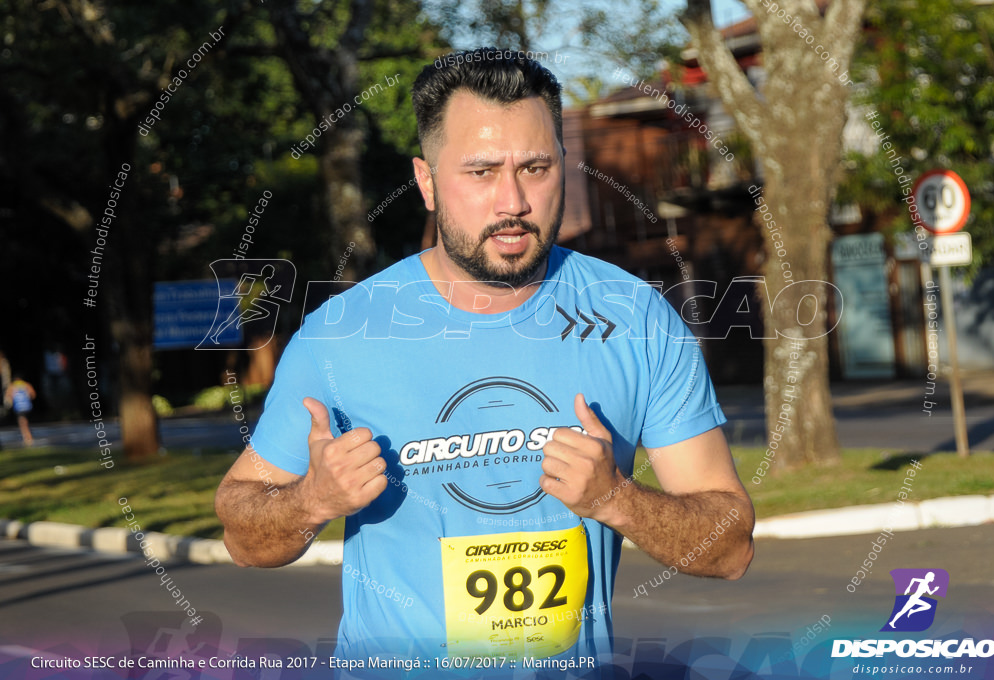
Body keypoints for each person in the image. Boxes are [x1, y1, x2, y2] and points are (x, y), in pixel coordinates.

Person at [215, 48, 754, 676]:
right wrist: (311, 498)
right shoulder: (341, 333)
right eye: (481, 171)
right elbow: (241, 533)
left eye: (535, 167)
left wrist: (618, 500)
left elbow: (731, 547)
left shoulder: (635, 319)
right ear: (427, 182)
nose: (513, 200)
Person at [5, 375, 36, 446]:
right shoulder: (26, 385)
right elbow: (33, 395)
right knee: (26, 421)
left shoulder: (12, 386)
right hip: (27, 406)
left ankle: (27, 438)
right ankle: (28, 436)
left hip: (19, 407)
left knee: (22, 423)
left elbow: (8, 397)